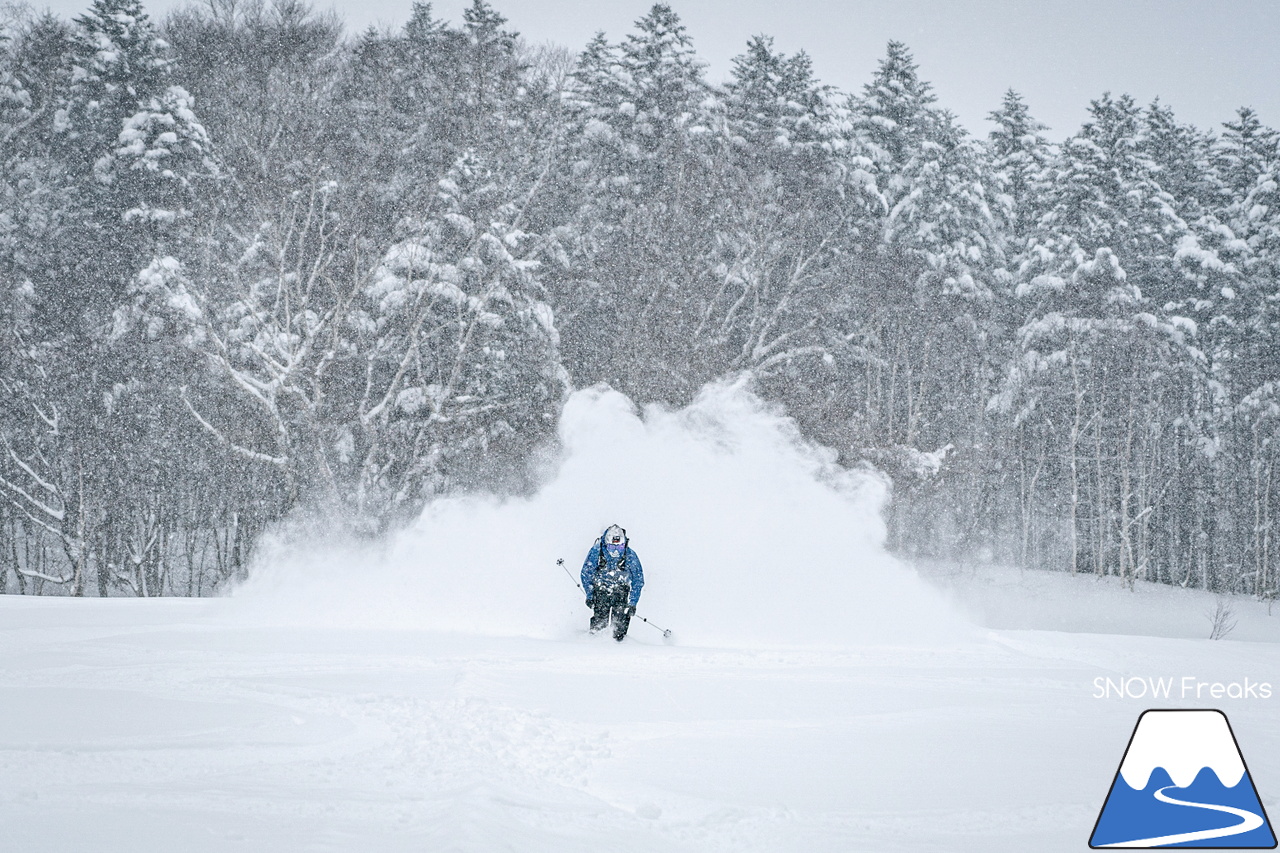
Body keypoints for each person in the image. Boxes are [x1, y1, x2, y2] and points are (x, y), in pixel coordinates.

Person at [580, 524, 644, 641]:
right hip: (601, 590)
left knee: (619, 626)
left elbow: (638, 580)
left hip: (621, 591)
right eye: (612, 547)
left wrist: (632, 603)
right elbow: (586, 573)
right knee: (599, 624)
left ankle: (618, 647)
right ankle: (594, 645)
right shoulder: (597, 552)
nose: (615, 551)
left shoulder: (629, 555)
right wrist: (590, 595)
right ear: (606, 544)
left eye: (619, 547)